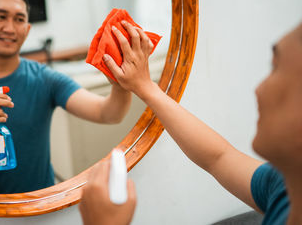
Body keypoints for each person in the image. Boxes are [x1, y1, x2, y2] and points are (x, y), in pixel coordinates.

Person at [79, 20, 302, 224]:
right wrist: (144, 87)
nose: (259, 90)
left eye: (276, 69)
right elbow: (218, 157)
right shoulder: (286, 187)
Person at [0, 0, 132, 194]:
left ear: (27, 29)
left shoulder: (45, 78)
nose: (9, 28)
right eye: (0, 17)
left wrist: (121, 84)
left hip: (42, 202)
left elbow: (108, 113)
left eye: (19, 19)